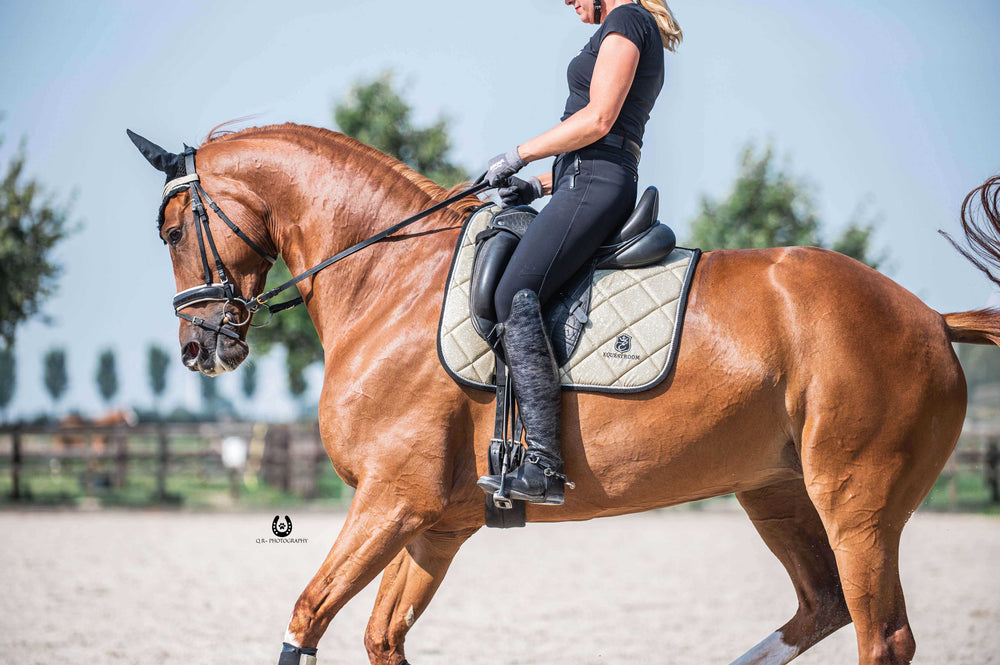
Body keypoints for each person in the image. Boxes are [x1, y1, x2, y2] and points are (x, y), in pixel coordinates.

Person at [476, 0, 682, 505]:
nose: (564, 2)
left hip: (595, 184)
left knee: (513, 293)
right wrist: (536, 186)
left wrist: (517, 153)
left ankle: (544, 464)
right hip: (580, 182)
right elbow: (591, 149)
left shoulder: (627, 19)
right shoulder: (621, 24)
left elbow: (598, 120)